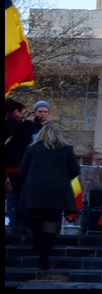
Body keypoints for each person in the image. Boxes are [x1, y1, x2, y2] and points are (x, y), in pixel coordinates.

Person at [17, 122, 81, 270]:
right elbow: (74, 170)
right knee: (51, 223)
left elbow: (22, 170)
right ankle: (44, 257)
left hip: (34, 191)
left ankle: (37, 245)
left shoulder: (32, 149)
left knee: (36, 221)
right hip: (57, 193)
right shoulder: (66, 149)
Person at [4, 98, 35, 234]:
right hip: (13, 167)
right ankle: (19, 225)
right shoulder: (10, 125)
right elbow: (22, 136)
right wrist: (28, 123)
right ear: (14, 112)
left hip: (14, 166)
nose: (23, 115)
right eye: (22, 112)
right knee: (17, 196)